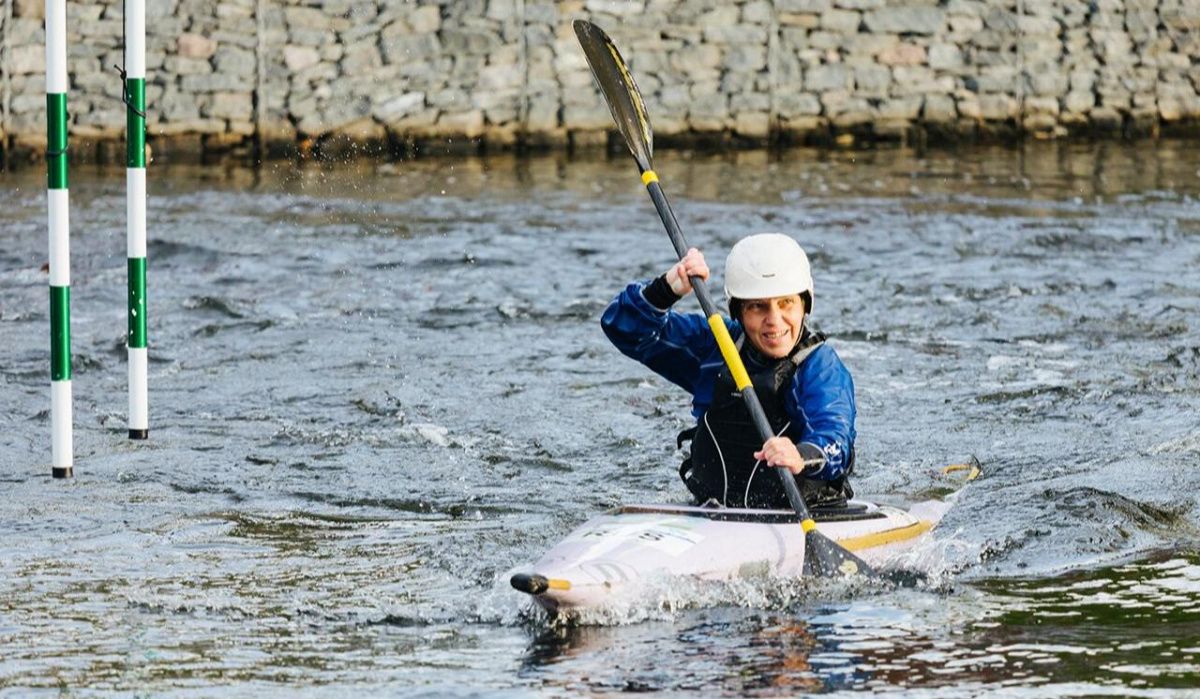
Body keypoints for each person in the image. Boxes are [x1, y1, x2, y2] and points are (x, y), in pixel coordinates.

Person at [601, 233, 856, 510]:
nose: (774, 321)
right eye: (757, 306)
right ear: (739, 311)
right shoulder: (718, 345)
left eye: (786, 303)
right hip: (712, 510)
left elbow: (834, 439)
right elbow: (626, 330)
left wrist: (799, 455)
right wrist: (667, 289)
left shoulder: (820, 367)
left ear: (805, 304)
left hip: (800, 512)